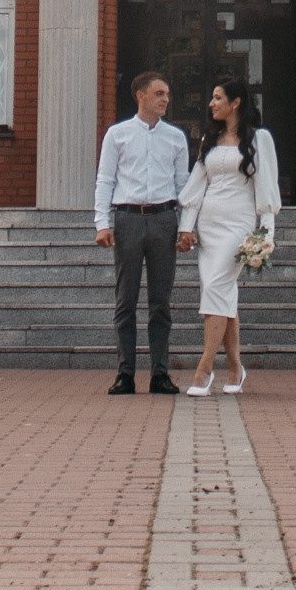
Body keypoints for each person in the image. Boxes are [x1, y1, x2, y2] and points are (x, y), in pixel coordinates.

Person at [176, 76, 281, 396]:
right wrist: (186, 226)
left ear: (236, 102)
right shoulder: (210, 139)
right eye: (212, 98)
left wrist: (266, 233)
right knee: (221, 294)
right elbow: (197, 186)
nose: (212, 103)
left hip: (238, 225)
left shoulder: (259, 139)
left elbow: (267, 187)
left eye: (218, 97)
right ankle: (236, 368)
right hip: (209, 226)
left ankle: (204, 368)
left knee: (216, 289)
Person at [93, 70, 194, 395]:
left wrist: (187, 226)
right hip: (128, 220)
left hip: (164, 219)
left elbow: (184, 186)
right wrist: (102, 222)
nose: (165, 99)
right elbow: (105, 179)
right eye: (159, 93)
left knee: (161, 302)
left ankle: (159, 374)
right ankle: (125, 374)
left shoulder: (176, 137)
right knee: (126, 300)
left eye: (167, 94)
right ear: (141, 96)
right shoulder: (117, 134)